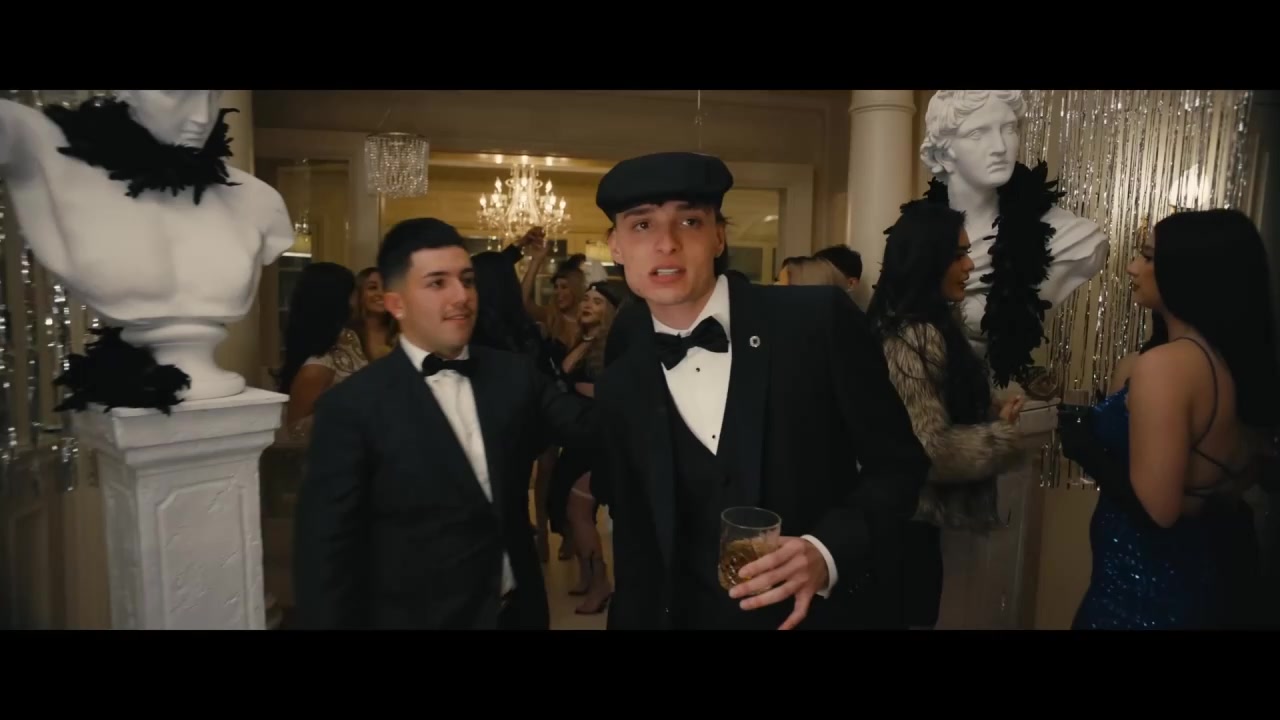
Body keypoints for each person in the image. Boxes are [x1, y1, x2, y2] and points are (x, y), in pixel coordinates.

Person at [591, 151, 931, 631]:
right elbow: (636, 547)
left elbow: (899, 467)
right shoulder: (620, 383)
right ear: (617, 246)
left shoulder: (817, 322)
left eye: (689, 221)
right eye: (642, 226)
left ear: (718, 236)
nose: (666, 244)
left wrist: (826, 551)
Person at [293, 217, 595, 630]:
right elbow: (325, 563)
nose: (462, 296)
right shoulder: (352, 407)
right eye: (437, 283)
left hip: (517, 616)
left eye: (467, 281)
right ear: (396, 303)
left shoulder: (514, 375)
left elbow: (592, 427)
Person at [1059, 209, 1277, 629]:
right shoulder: (1213, 360)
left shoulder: (1167, 366)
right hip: (1172, 581)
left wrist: (1088, 451)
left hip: (1141, 594)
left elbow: (1158, 512)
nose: (1132, 267)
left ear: (1188, 271)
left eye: (1147, 256)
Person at [866, 201, 1026, 628]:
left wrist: (985, 406)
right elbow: (928, 448)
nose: (969, 265)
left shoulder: (910, 325)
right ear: (927, 260)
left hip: (902, 523)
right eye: (958, 255)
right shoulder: (915, 335)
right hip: (902, 529)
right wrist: (1002, 435)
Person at [915, 90, 1109, 388]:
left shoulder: (1069, 238)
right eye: (978, 133)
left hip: (1004, 402)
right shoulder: (916, 241)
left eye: (1008, 129)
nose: (1000, 147)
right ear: (943, 155)